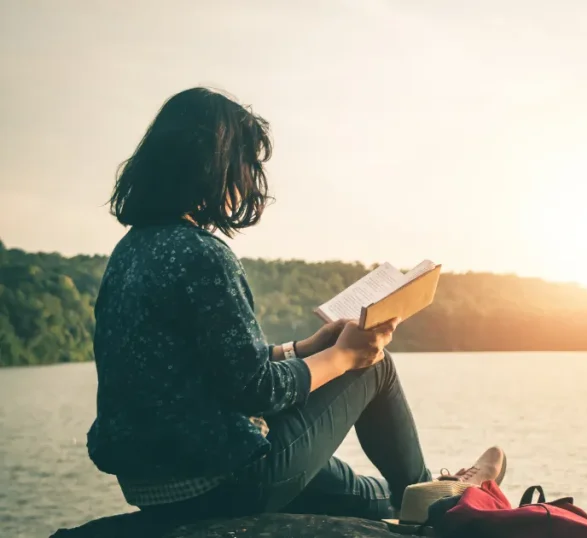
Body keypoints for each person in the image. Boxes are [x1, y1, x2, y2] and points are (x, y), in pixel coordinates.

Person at [86, 87, 506, 522]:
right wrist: (345, 356)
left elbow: (210, 370)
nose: (250, 178)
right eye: (247, 163)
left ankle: (432, 490)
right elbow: (256, 390)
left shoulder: (129, 253)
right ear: (217, 164)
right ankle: (439, 506)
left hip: (155, 488)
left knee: (362, 492)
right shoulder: (202, 254)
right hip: (223, 481)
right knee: (375, 367)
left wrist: (305, 348)